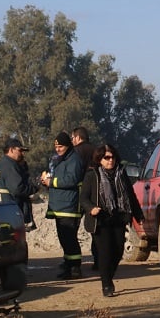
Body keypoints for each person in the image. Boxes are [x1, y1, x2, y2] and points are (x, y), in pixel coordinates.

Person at [79, 144, 143, 297]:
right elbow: (83, 198)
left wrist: (138, 215)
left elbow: (131, 195)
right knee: (105, 253)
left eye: (112, 157)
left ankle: (108, 275)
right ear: (100, 159)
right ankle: (106, 284)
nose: (110, 160)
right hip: (100, 220)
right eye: (106, 158)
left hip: (118, 217)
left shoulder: (121, 173)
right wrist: (91, 208)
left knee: (118, 251)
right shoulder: (92, 175)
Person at [41, 131, 84, 279]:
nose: (58, 149)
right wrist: (47, 180)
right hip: (60, 206)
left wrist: (51, 182)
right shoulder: (60, 159)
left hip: (69, 206)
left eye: (60, 146)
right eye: (56, 147)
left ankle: (75, 267)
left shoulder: (75, 160)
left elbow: (71, 179)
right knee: (63, 238)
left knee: (69, 238)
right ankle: (68, 264)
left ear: (68, 146)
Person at [0, 138, 39, 230]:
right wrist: (35, 187)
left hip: (3, 210)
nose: (22, 153)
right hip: (11, 212)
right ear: (11, 150)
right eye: (20, 150)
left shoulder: (2, 164)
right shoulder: (10, 166)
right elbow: (18, 189)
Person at [72, 126, 98, 269]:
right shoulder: (96, 151)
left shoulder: (75, 152)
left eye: (72, 138)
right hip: (94, 195)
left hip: (79, 195)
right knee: (95, 229)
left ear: (77, 137)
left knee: (73, 228)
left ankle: (74, 264)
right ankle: (98, 260)